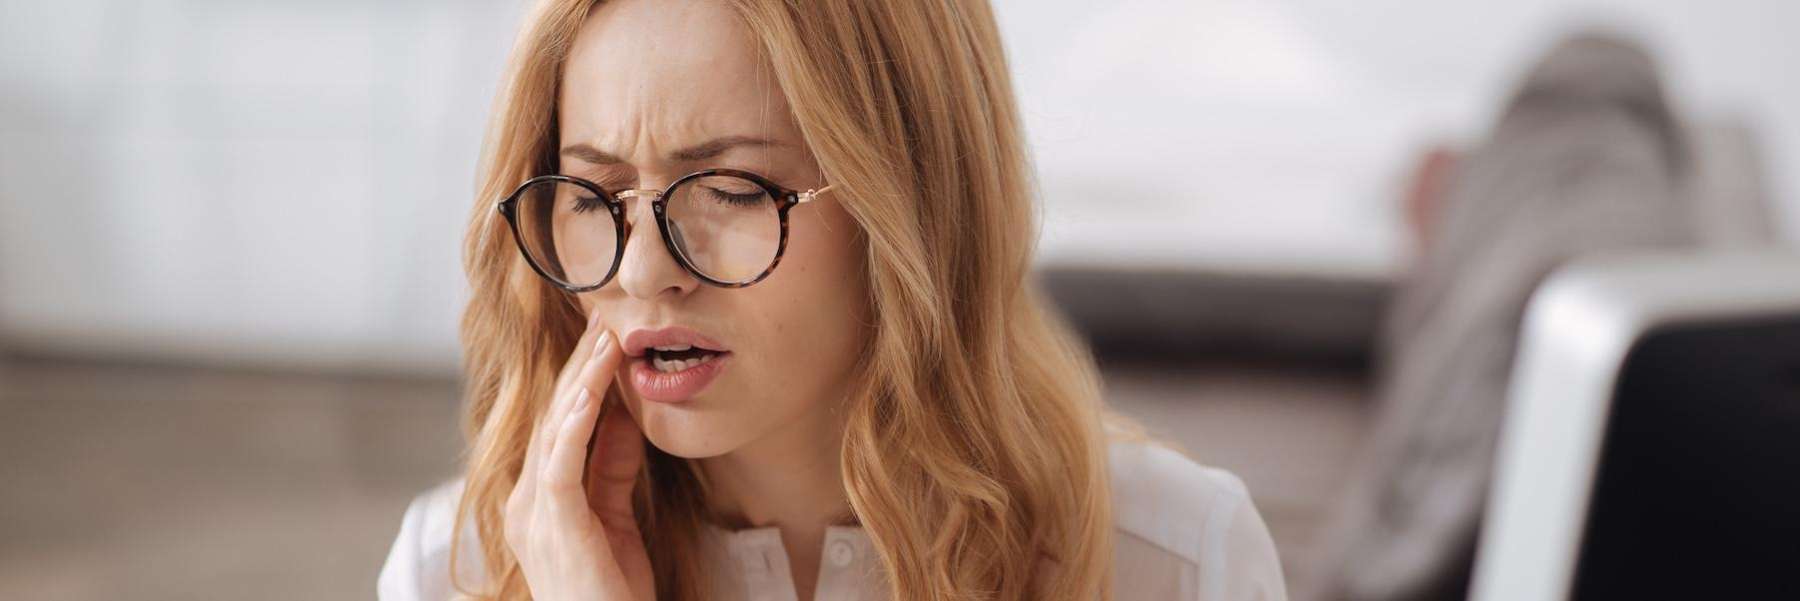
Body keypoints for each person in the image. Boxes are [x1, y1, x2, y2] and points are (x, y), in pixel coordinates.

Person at [379, 1, 1286, 599]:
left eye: (730, 189)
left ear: (911, 205)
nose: (645, 270)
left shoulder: (1179, 564)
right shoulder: (448, 572)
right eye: (592, 198)